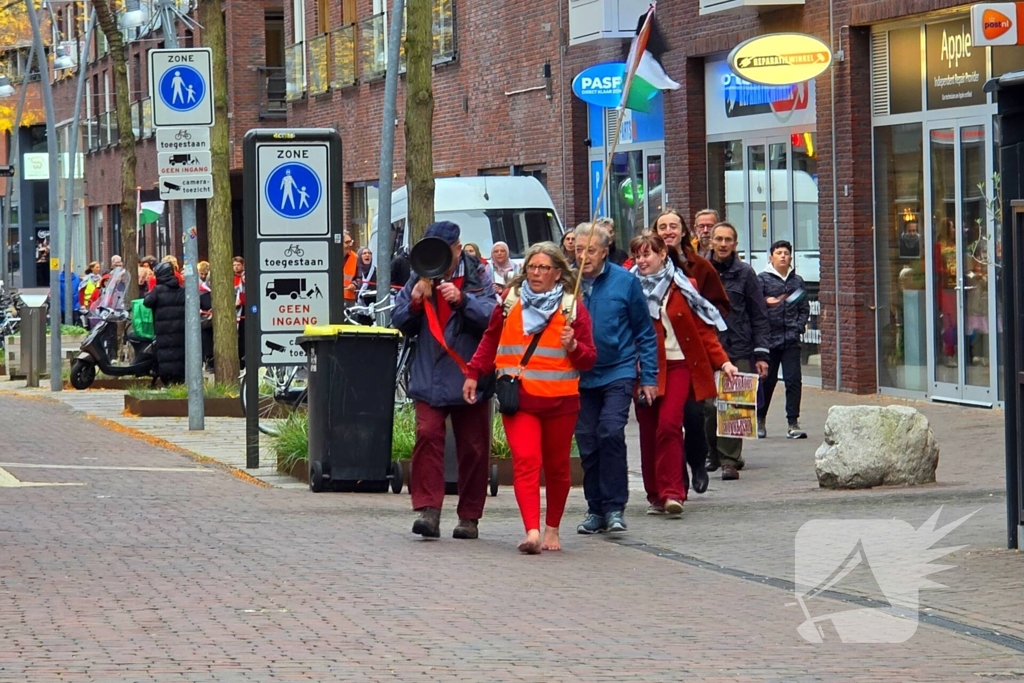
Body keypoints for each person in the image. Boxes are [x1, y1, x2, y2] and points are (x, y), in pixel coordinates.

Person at [463, 242, 597, 554]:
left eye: (543, 268)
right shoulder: (510, 301)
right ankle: (532, 531)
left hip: (561, 400)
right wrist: (473, 373)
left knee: (557, 467)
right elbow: (490, 339)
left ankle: (552, 530)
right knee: (526, 461)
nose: (536, 273)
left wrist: (574, 345)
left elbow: (589, 359)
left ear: (558, 274)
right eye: (531, 267)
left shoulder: (572, 306)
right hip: (518, 397)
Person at [393, 221, 497, 540]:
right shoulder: (418, 274)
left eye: (444, 250)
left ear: (457, 248)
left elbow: (494, 318)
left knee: (474, 448)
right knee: (427, 435)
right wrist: (413, 301)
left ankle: (469, 516)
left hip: (469, 372)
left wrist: (463, 301)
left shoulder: (479, 274)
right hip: (430, 372)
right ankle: (429, 510)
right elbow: (398, 321)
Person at [629, 234, 737, 516]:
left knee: (669, 426)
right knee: (649, 431)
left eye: (647, 254)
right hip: (643, 369)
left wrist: (723, 362)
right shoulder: (628, 288)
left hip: (678, 366)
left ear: (663, 254)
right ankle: (654, 494)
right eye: (638, 256)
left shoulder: (684, 286)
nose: (641, 261)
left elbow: (703, 330)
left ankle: (672, 493)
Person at [573, 220, 658, 534]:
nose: (584, 257)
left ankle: (614, 508)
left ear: (605, 252)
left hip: (618, 369)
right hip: (580, 375)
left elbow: (644, 333)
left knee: (609, 432)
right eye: (579, 250)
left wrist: (648, 376)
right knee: (587, 442)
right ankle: (594, 509)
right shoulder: (569, 282)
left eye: (590, 251)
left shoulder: (625, 282)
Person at [653, 208, 730, 494]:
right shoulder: (640, 268)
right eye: (663, 227)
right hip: (660, 361)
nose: (668, 231)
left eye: (674, 226)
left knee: (693, 418)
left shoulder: (699, 266)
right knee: (667, 424)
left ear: (684, 231)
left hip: (691, 357)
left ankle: (697, 462)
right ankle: (677, 477)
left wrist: (702, 313)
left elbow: (719, 305)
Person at [705, 222, 771, 481]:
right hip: (709, 347)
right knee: (709, 407)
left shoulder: (745, 274)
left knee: (734, 406)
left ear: (735, 244)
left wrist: (762, 354)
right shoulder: (701, 271)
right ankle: (714, 450)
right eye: (718, 239)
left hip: (739, 346)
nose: (723, 244)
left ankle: (730, 460)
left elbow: (759, 314)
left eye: (728, 240)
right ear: (711, 241)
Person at [757, 240, 809, 440]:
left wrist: (798, 326)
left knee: (793, 380)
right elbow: (754, 308)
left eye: (786, 253)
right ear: (771, 257)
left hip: (791, 340)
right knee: (767, 381)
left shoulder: (797, 281)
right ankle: (760, 419)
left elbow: (803, 307)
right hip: (769, 341)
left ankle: (793, 422)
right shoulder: (761, 280)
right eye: (779, 253)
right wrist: (764, 303)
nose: (783, 256)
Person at [144, 262, 187, 385]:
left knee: (165, 353)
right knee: (179, 353)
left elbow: (147, 302)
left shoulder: (158, 290)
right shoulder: (181, 290)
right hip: (179, 328)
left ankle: (167, 378)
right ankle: (179, 378)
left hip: (163, 329)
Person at [233, 256, 246, 362]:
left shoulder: (245, 277)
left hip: (243, 310)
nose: (236, 267)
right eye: (234, 265)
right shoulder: (231, 278)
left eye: (238, 265)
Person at [342, 231, 357, 306]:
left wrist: (354, 284)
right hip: (333, 296)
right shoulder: (330, 257)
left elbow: (359, 277)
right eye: (347, 242)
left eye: (351, 242)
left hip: (349, 298)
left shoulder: (355, 257)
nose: (350, 245)